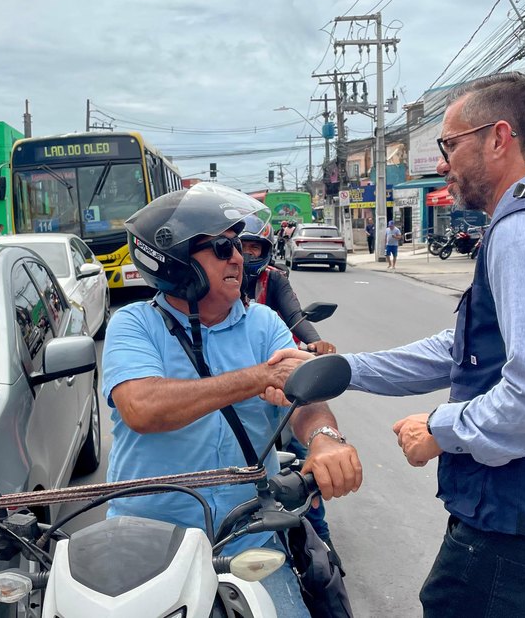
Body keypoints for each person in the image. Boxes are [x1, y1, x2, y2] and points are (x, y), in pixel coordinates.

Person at [267, 73, 525, 617]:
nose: (443, 163)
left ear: (498, 138)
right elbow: (467, 347)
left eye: (450, 144)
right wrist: (345, 368)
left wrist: (443, 430)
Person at [102, 183, 362, 617]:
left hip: (250, 540)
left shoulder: (264, 324)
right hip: (146, 543)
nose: (239, 257)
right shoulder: (133, 324)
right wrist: (260, 376)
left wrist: (324, 438)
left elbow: (305, 399)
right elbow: (142, 407)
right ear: (177, 261)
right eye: (222, 247)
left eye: (239, 245)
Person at [238, 213, 339, 550]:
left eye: (255, 249)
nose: (247, 256)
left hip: (280, 371)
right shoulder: (214, 293)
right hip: (243, 379)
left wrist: (317, 344)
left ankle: (320, 536)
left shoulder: (273, 282)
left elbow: (295, 317)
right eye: (242, 248)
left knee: (302, 451)